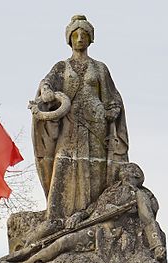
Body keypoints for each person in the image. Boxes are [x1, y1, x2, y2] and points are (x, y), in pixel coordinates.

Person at [31, 15, 129, 229]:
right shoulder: (61, 67)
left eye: (84, 34)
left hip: (96, 125)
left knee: (95, 170)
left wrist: (113, 109)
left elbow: (112, 96)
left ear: (90, 38)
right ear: (69, 39)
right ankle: (56, 218)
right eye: (75, 35)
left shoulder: (100, 68)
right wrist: (46, 91)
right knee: (64, 163)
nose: (80, 38)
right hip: (70, 124)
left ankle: (90, 218)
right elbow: (46, 83)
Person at [0, 163, 165, 263]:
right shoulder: (111, 190)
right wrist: (79, 215)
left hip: (104, 233)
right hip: (87, 224)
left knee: (62, 243)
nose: (122, 169)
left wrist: (156, 246)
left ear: (136, 173)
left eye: (127, 167)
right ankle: (23, 257)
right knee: (53, 236)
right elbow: (92, 208)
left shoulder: (139, 194)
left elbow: (148, 220)